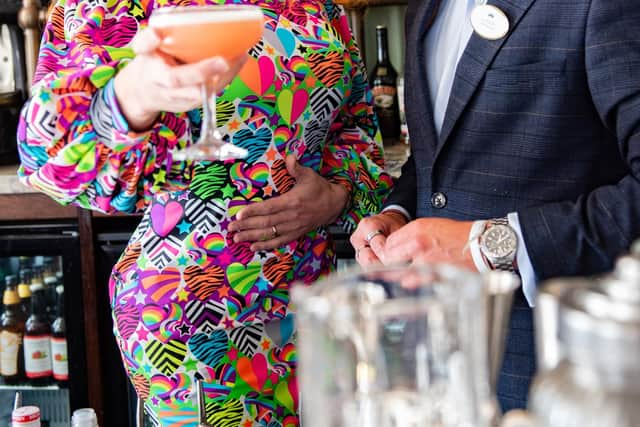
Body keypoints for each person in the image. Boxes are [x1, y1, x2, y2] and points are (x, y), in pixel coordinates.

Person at [17, 0, 393, 425]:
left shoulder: (318, 6)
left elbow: (356, 129)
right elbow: (49, 153)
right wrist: (134, 97)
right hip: (193, 313)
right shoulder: (112, 6)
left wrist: (336, 195)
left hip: (317, 303)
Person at [352, 0, 640, 413]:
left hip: (560, 374)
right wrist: (398, 215)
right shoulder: (424, 9)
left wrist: (488, 245)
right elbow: (436, 157)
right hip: (437, 363)